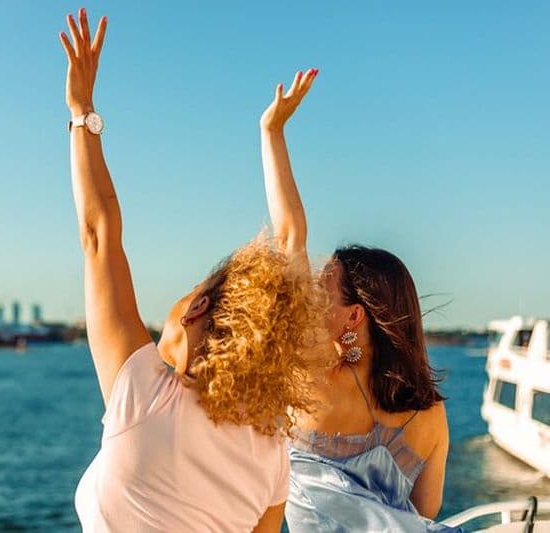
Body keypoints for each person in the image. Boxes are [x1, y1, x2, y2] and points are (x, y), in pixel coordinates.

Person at [59, 9, 327, 532]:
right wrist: (271, 131)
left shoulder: (143, 393)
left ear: (198, 307)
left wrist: (81, 112)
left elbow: (99, 235)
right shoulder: (270, 451)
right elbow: (290, 247)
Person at [258, 70, 462, 531]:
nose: (309, 291)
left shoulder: (311, 381)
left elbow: (290, 237)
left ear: (353, 315)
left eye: (322, 286)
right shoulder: (431, 412)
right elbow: (425, 513)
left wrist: (271, 131)